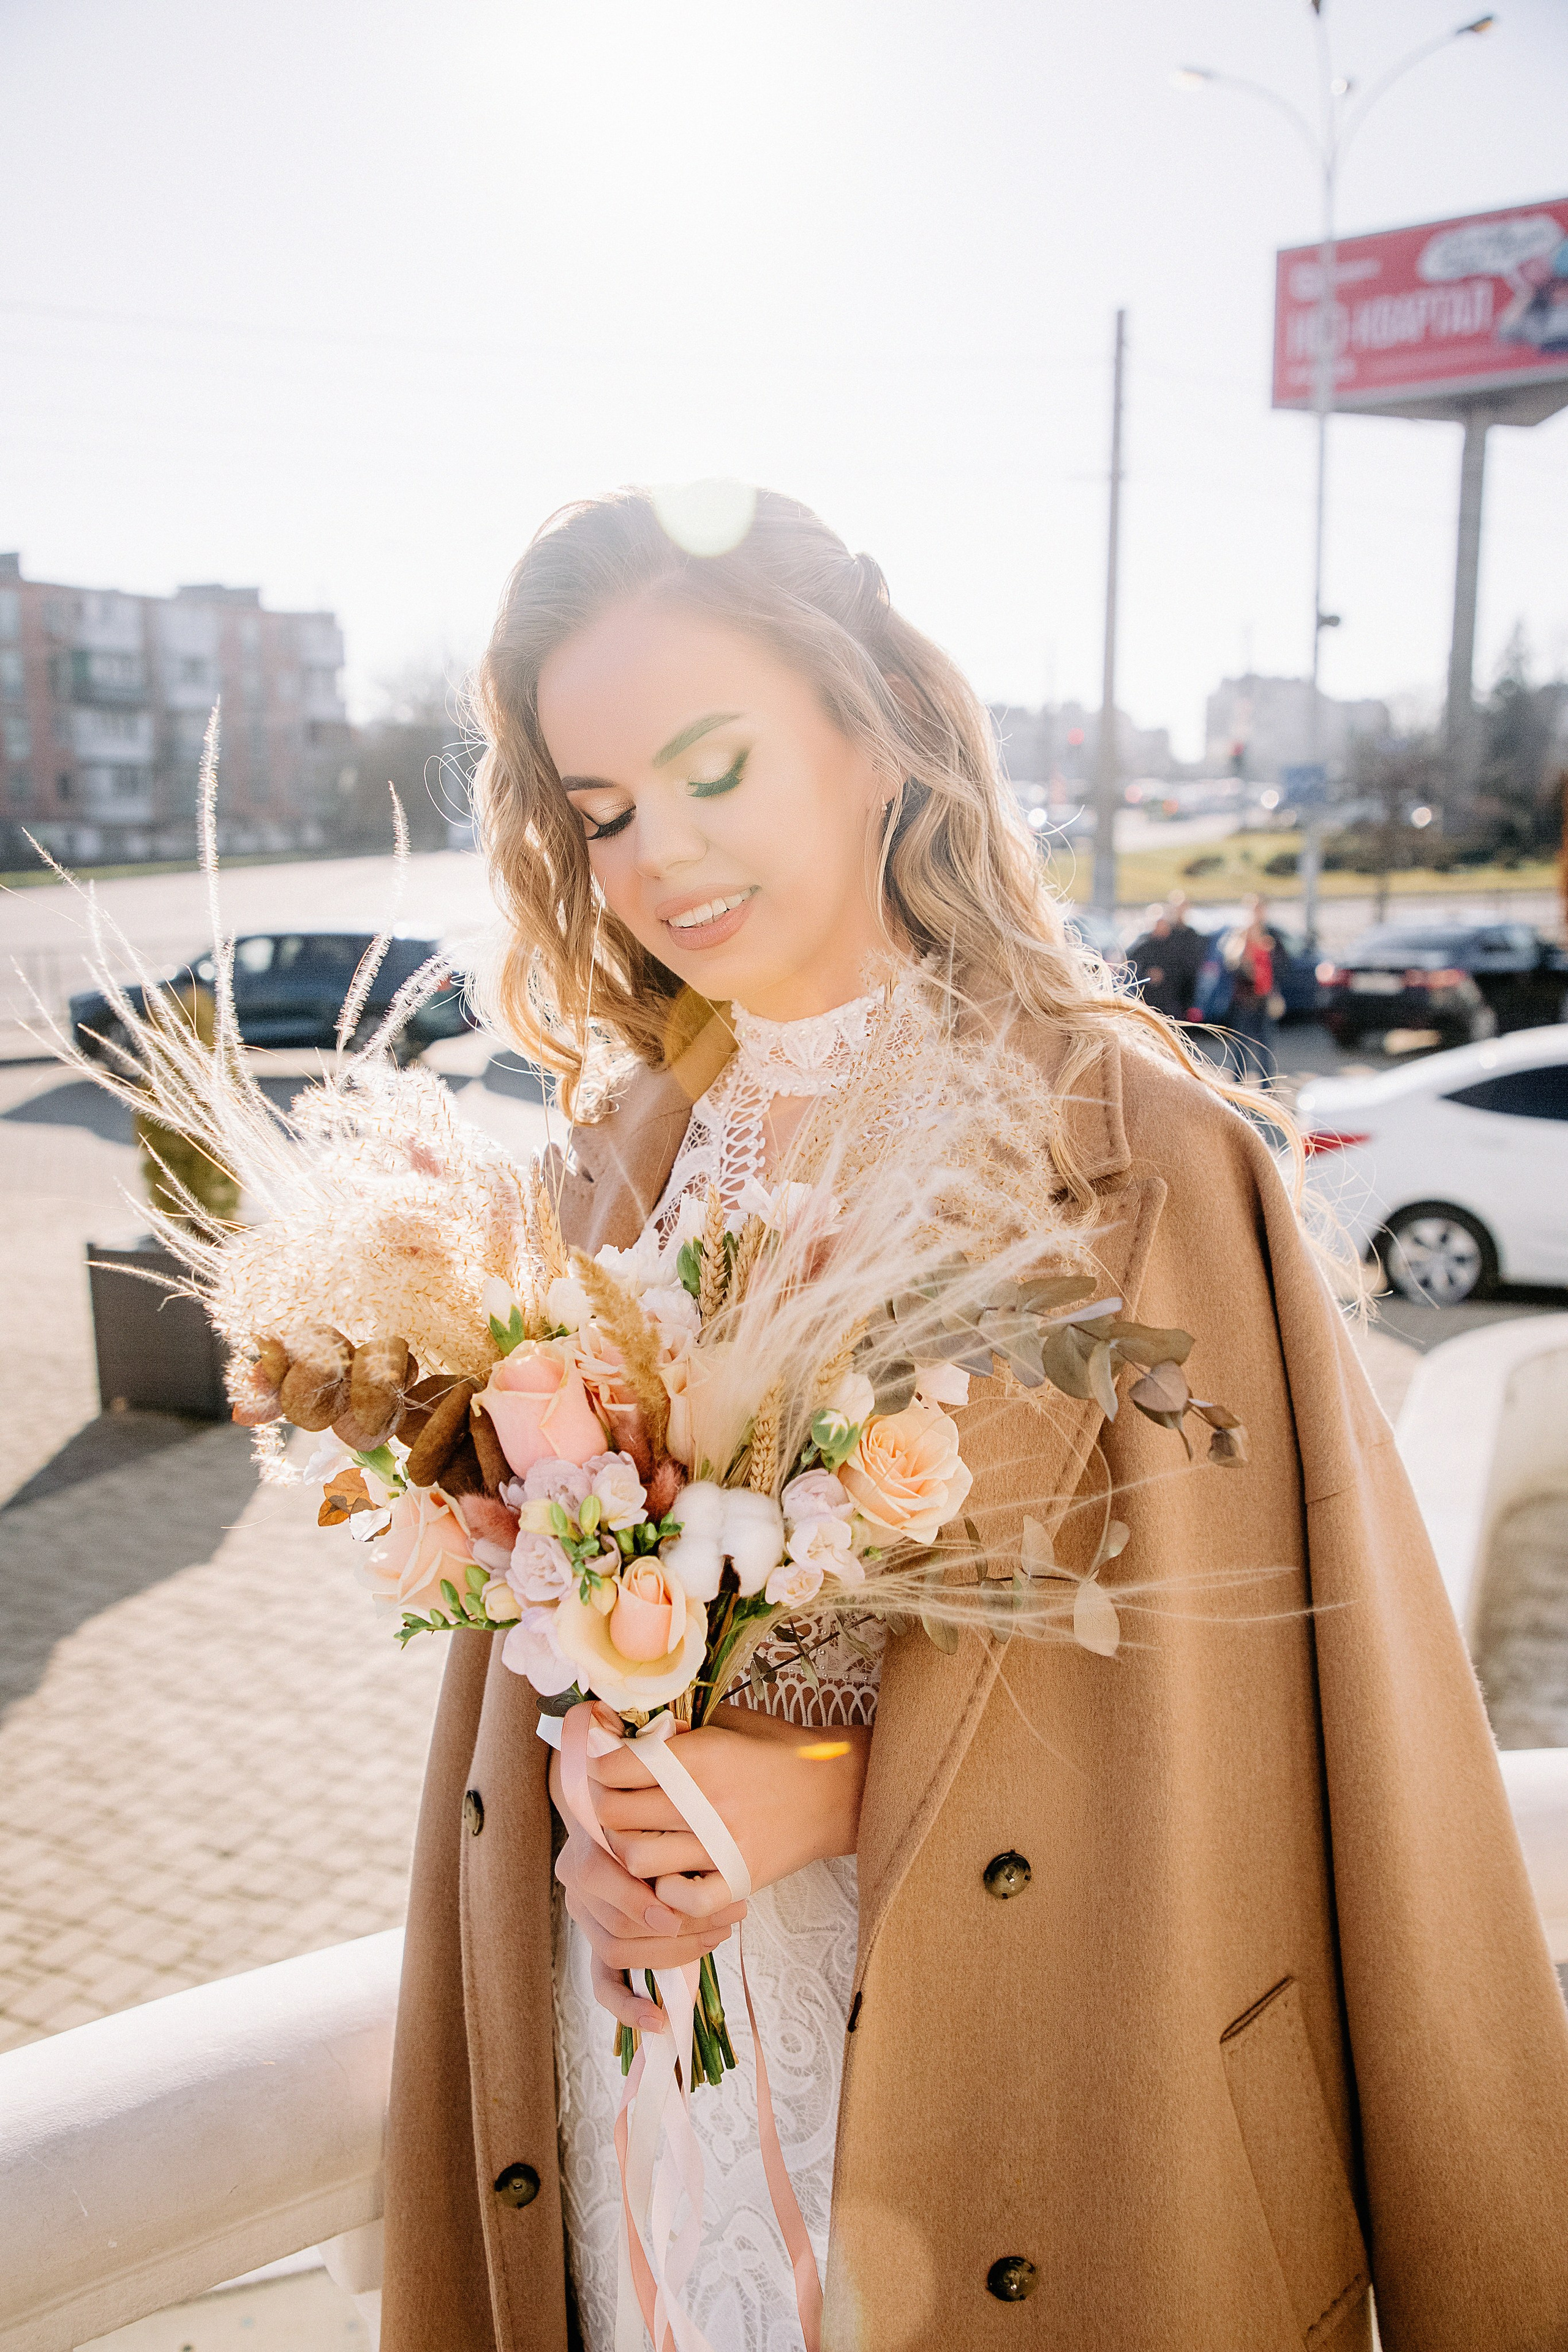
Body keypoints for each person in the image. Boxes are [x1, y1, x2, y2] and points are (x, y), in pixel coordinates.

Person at [381, 488, 1568, 2352]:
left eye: (711, 767)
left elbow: (1288, 1706)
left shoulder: (1142, 1155)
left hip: (1035, 2122)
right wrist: (588, 1808)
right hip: (642, 2116)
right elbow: (529, 1672)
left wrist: (828, 1783)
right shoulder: (596, 1177)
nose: (658, 854)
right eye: (599, 810)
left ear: (875, 737)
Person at [1221, 892, 1284, 1085]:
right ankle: (1238, 1088)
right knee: (1241, 1048)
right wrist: (1245, 944)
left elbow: (1282, 964)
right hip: (1244, 1000)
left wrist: (1268, 951)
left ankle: (1267, 1088)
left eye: (1260, 908)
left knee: (1265, 1048)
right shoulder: (1240, 934)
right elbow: (1231, 963)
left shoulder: (1271, 934)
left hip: (1264, 998)